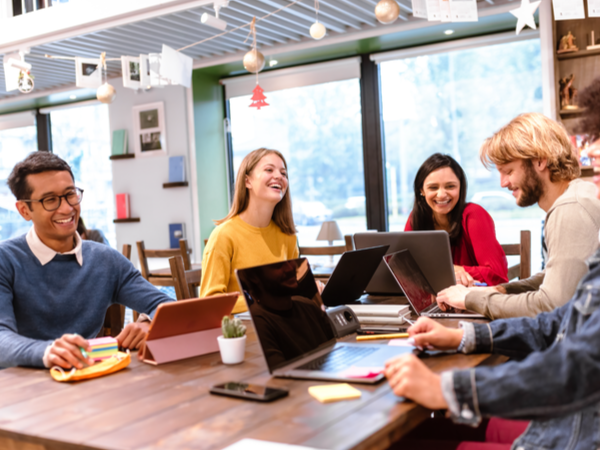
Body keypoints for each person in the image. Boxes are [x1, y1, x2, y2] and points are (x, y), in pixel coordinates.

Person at [0, 152, 172, 370]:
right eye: (50, 200)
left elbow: (165, 307)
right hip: (22, 391)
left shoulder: (106, 260)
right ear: (24, 210)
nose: (66, 208)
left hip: (86, 380)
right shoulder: (5, 259)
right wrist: (47, 351)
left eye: (70, 194)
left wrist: (150, 324)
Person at [437, 113, 600, 319]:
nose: (503, 183)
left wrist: (471, 300)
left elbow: (552, 305)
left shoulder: (570, 209)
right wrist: (500, 291)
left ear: (540, 160)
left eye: (508, 171)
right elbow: (558, 276)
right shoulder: (576, 195)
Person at [200, 148, 299, 314]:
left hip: (281, 328)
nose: (279, 176)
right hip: (240, 334)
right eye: (269, 170)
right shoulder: (223, 235)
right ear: (247, 181)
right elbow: (210, 302)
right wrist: (262, 300)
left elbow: (293, 291)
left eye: (284, 173)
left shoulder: (287, 236)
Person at [405, 153, 507, 287]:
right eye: (433, 187)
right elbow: (405, 270)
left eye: (450, 186)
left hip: (472, 302)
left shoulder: (474, 214)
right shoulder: (416, 217)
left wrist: (444, 270)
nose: (441, 195)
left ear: (460, 187)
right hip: (433, 301)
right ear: (421, 190)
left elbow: (497, 275)